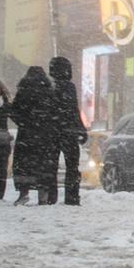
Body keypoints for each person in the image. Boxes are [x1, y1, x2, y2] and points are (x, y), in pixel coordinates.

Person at [10, 66, 58, 206]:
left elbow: (14, 112)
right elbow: (55, 112)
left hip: (26, 135)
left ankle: (23, 193)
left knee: (24, 164)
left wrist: (24, 122)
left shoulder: (23, 91)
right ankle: (43, 195)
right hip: (44, 136)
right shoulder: (49, 92)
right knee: (43, 165)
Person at [48, 57, 88, 206]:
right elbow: (73, 110)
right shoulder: (69, 87)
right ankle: (72, 197)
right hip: (68, 131)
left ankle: (51, 197)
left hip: (55, 131)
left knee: (52, 166)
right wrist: (81, 128)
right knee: (72, 166)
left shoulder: (50, 86)